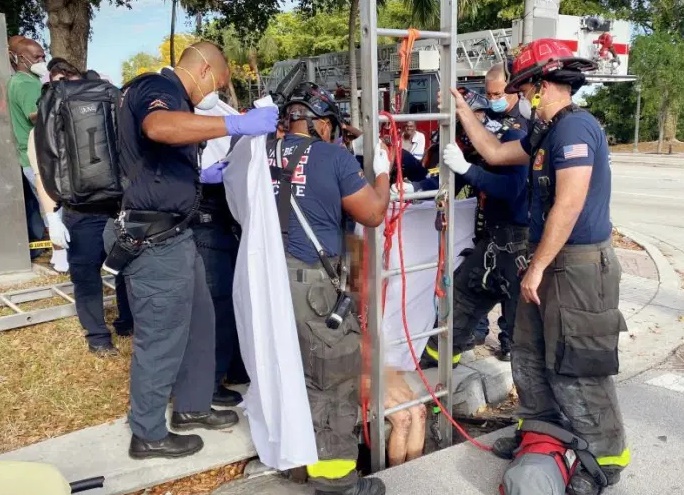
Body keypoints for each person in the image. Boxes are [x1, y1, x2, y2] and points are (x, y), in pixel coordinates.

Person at [447, 39, 629, 494]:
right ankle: (542, 431)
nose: (522, 97)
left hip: (578, 268)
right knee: (528, 353)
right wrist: (462, 109)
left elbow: (569, 204)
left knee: (578, 364)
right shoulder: (546, 133)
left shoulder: (574, 129)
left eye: (526, 88)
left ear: (544, 86)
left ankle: (605, 460)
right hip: (548, 261)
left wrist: (536, 267)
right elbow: (493, 153)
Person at [108, 41, 277, 459]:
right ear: (202, 70)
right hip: (154, 241)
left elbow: (158, 164)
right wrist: (234, 125)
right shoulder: (154, 88)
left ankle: (192, 407)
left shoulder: (178, 97)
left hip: (178, 236)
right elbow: (159, 128)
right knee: (161, 339)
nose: (212, 94)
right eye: (216, 83)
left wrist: (206, 174)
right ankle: (146, 433)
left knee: (201, 323)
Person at [270, 82, 389, 495]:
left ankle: (295, 462)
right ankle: (337, 482)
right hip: (313, 285)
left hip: (271, 281)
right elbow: (372, 213)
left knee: (293, 373)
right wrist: (382, 173)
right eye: (333, 128)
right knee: (333, 378)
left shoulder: (263, 151)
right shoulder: (333, 155)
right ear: (322, 125)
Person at [29, 59, 133, 355]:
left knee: (93, 273)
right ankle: (116, 327)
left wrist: (53, 217)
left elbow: (44, 173)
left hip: (86, 209)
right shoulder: (108, 99)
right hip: (114, 204)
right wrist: (52, 218)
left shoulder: (49, 116)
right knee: (115, 268)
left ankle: (105, 334)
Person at [422, 90, 528, 367]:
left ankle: (535, 404)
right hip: (491, 242)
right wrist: (411, 186)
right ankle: (440, 367)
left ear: (478, 116)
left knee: (524, 331)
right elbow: (447, 185)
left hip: (520, 245)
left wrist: (468, 168)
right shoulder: (474, 148)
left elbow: (511, 189)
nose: (464, 138)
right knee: (458, 305)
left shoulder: (511, 137)